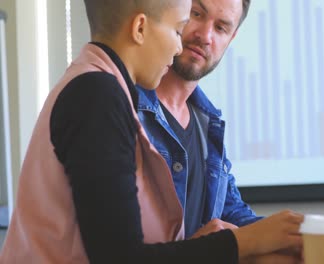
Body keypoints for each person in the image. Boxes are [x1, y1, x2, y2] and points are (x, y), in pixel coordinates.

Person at [0, 0, 303, 263]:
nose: (180, 44)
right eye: (180, 26)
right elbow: (122, 258)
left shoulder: (110, 93)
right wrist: (240, 244)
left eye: (222, 27)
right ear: (140, 28)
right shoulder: (99, 96)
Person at [136, 0, 261, 240]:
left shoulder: (208, 124)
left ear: (231, 39)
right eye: (196, 14)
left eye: (221, 28)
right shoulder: (122, 106)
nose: (205, 36)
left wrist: (294, 234)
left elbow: (232, 212)